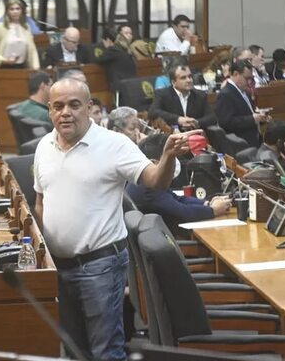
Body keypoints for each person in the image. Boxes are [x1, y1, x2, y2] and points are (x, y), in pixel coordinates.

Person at [33, 78, 196, 360]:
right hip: (58, 268)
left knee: (105, 352)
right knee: (73, 352)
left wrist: (167, 155)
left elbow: (155, 181)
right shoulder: (44, 146)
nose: (65, 113)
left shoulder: (114, 144)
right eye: (58, 106)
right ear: (49, 110)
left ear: (89, 107)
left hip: (100, 265)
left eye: (74, 105)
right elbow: (40, 203)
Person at [126, 133, 231, 232]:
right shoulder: (147, 187)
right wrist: (213, 210)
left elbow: (178, 198)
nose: (175, 163)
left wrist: (207, 203)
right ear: (154, 163)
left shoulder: (146, 181)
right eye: (170, 159)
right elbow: (183, 212)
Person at [215, 60, 270, 148]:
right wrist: (252, 118)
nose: (249, 82)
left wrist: (260, 116)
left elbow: (248, 113)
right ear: (236, 74)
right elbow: (226, 122)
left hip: (253, 141)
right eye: (247, 78)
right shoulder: (225, 94)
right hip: (239, 145)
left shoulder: (245, 92)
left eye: (251, 79)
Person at [0, 0, 40, 81]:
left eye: (17, 9)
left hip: (22, 67)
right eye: (12, 9)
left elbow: (32, 49)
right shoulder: (0, 27)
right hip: (3, 67)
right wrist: (4, 60)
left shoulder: (26, 27)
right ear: (7, 11)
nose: (15, 12)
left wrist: (36, 67)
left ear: (22, 11)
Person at [149, 65, 217, 130]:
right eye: (183, 78)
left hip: (194, 135)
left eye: (190, 76)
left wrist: (196, 122)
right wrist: (179, 119)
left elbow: (212, 117)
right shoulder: (163, 94)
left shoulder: (200, 95)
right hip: (172, 135)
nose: (189, 80)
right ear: (173, 82)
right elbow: (153, 112)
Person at [93, 28, 137, 94]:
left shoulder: (113, 50)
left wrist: (108, 47)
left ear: (107, 40)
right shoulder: (127, 51)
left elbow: (98, 60)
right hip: (131, 84)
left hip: (119, 87)